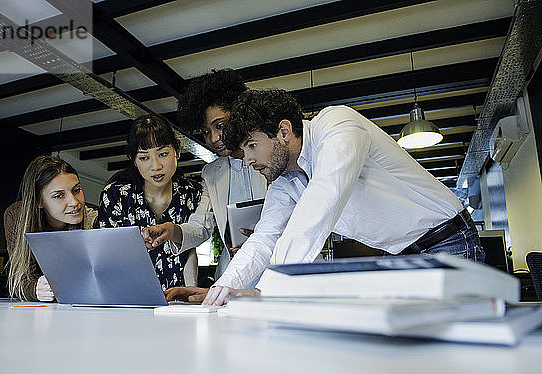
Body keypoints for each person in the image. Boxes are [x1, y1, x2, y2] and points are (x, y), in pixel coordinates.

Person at [199, 89, 485, 305]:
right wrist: (220, 290)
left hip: (448, 240)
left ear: (284, 131)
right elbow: (264, 238)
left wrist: (270, 287)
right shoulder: (284, 180)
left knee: (461, 345)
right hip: (402, 255)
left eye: (252, 146)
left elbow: (326, 193)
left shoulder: (337, 125)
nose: (248, 160)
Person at [143, 69, 266, 295]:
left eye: (220, 125)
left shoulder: (270, 154)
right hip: (232, 278)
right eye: (206, 131)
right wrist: (173, 231)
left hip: (279, 272)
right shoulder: (211, 172)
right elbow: (201, 226)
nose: (213, 139)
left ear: (239, 115)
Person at [97, 115, 203, 291]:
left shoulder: (192, 193)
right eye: (144, 158)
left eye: (163, 154)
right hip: (128, 298)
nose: (156, 166)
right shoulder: (116, 195)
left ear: (177, 150)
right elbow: (107, 254)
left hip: (177, 300)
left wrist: (192, 291)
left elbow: (191, 248)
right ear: (134, 160)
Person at [5, 155, 98, 301]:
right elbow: (19, 281)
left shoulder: (95, 217)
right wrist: (35, 289)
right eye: (59, 196)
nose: (74, 202)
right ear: (38, 201)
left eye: (76, 190)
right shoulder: (17, 217)